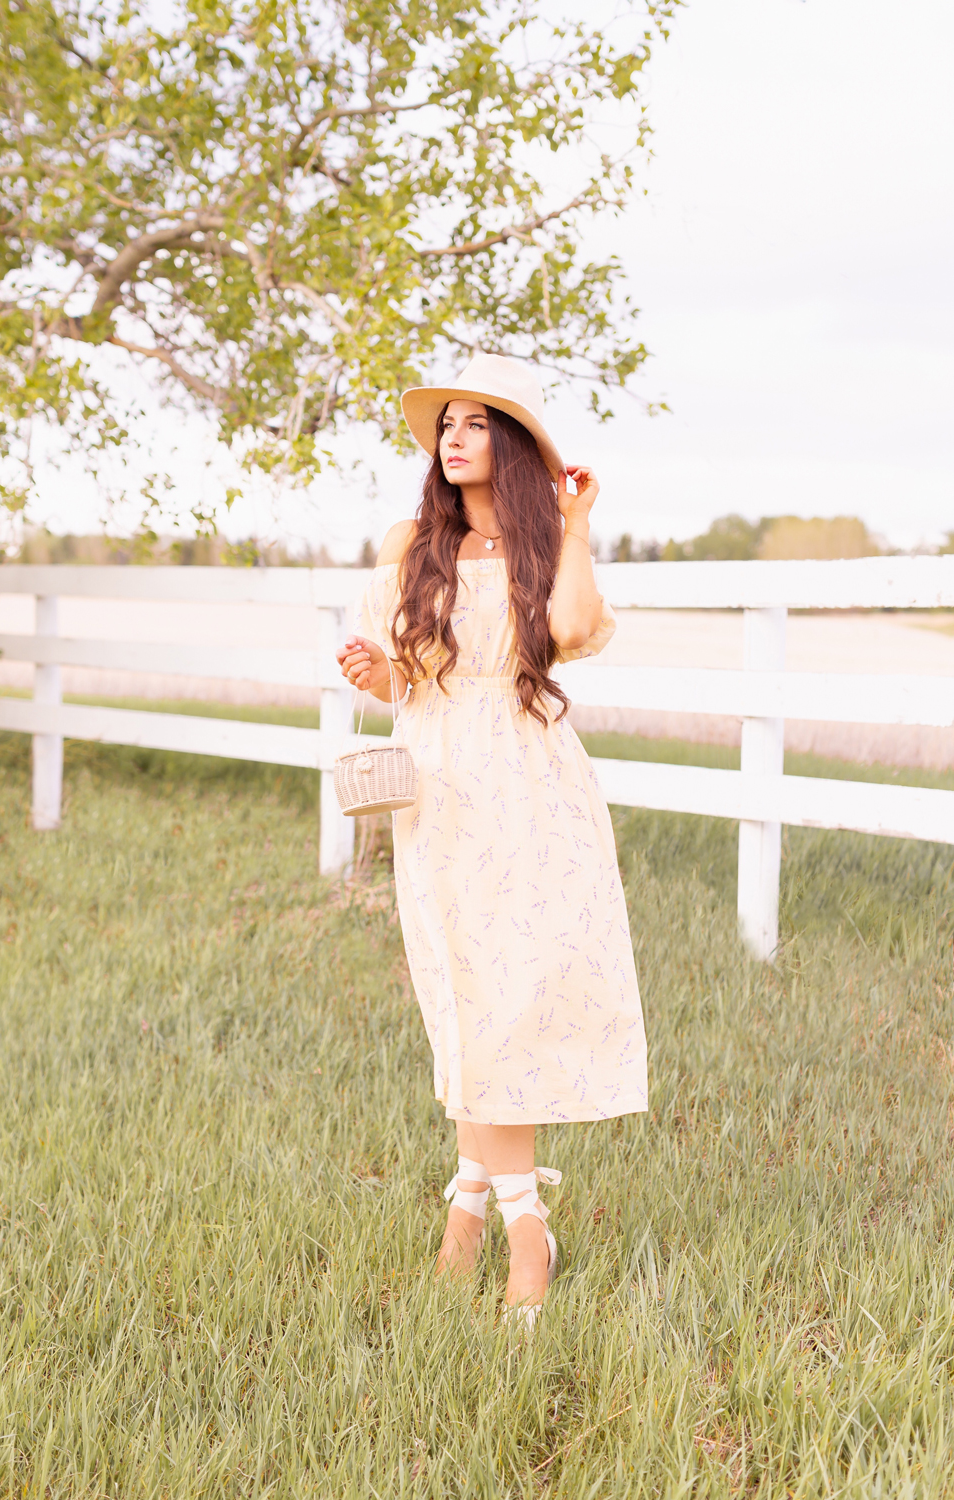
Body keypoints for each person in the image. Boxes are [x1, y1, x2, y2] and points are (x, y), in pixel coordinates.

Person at [336, 353, 647, 1324]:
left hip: (530, 785)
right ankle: (481, 1209)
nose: (455, 436)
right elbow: (403, 681)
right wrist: (371, 676)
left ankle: (509, 1225)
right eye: (447, 423)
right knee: (464, 996)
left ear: (508, 443)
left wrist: (579, 525)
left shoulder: (545, 539)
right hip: (437, 787)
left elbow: (572, 632)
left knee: (514, 996)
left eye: (477, 422)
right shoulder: (407, 542)